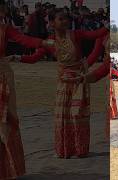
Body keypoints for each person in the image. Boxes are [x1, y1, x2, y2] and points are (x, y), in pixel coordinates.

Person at [19, 8, 108, 159]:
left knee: (77, 115)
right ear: (52, 22)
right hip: (64, 83)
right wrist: (17, 57)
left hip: (79, 81)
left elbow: (95, 35)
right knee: (63, 116)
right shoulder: (49, 42)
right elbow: (34, 57)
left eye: (66, 18)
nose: (65, 21)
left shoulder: (75, 35)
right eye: (61, 19)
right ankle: (65, 150)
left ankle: (80, 150)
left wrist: (108, 25)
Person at [0, 1, 53, 179]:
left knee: (5, 120)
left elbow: (24, 40)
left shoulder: (5, 28)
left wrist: (44, 42)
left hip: (2, 77)